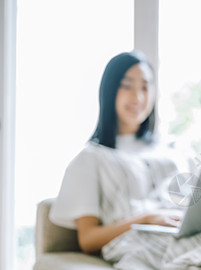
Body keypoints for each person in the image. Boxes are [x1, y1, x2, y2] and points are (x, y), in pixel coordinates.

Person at [50, 50, 184, 254]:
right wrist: (147, 218)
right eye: (126, 86)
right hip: (147, 246)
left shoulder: (171, 149)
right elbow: (88, 239)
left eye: (145, 87)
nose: (138, 97)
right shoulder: (91, 158)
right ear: (110, 90)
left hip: (186, 233)